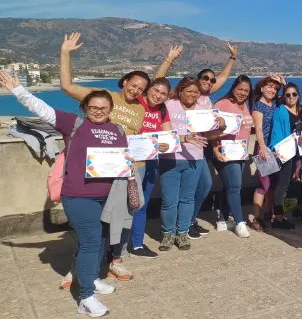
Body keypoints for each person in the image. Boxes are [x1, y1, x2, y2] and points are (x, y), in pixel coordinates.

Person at [1, 71, 129, 317]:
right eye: (93, 107)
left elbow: (121, 160)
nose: (99, 111)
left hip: (108, 195)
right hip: (79, 196)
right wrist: (18, 90)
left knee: (101, 239)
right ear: (85, 108)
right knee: (91, 240)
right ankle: (85, 298)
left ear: (111, 108)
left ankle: (91, 279)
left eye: (103, 108)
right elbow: (42, 109)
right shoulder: (74, 124)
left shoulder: (118, 130)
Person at [58, 32, 147, 281]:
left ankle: (115, 260)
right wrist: (65, 53)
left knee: (122, 220)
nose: (136, 88)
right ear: (124, 81)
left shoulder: (141, 107)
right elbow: (67, 87)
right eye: (133, 83)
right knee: (93, 225)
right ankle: (80, 266)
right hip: (97, 170)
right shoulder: (104, 96)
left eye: (142, 88)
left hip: (128, 171)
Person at [153, 42, 239, 238]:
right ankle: (175, 229)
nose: (208, 81)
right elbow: (157, 83)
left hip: (198, 153)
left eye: (211, 79)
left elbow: (208, 134)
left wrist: (222, 127)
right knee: (175, 197)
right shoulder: (172, 102)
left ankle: (186, 225)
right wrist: (170, 59)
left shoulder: (204, 104)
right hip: (174, 155)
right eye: (204, 79)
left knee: (195, 192)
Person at [159, 78, 222, 252]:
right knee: (169, 200)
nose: (193, 95)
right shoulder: (169, 105)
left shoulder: (203, 110)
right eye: (189, 91)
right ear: (180, 91)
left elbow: (209, 136)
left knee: (187, 199)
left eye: (196, 92)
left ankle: (183, 232)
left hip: (194, 159)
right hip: (170, 158)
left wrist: (221, 127)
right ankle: (168, 233)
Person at [126, 77, 173, 259]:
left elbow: (168, 138)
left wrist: (166, 145)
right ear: (148, 90)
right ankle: (116, 245)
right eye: (156, 91)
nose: (158, 96)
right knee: (125, 204)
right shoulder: (136, 103)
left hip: (151, 161)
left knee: (141, 204)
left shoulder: (162, 110)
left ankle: (137, 245)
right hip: (131, 162)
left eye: (163, 94)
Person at [212, 75, 254, 238]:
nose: (242, 93)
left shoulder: (246, 106)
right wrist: (216, 150)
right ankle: (240, 222)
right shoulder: (222, 104)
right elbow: (212, 129)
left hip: (241, 153)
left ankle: (223, 219)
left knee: (229, 186)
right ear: (233, 88)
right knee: (235, 186)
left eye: (246, 90)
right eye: (240, 89)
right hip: (226, 152)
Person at [249, 75, 284, 231]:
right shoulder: (258, 106)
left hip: (275, 149)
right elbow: (258, 129)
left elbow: (287, 99)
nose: (272, 90)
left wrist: (283, 84)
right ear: (261, 88)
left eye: (275, 88)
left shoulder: (274, 104)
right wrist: (262, 146)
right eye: (269, 86)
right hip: (265, 148)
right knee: (264, 184)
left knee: (273, 184)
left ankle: (269, 212)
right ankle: (256, 217)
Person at [268, 83, 302, 229]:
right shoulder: (280, 111)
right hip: (285, 152)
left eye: (294, 94)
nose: (291, 97)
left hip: (298, 153)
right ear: (284, 97)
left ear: (298, 96)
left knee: (294, 183)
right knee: (282, 186)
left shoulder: (300, 111)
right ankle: (277, 218)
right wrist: (275, 149)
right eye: (288, 95)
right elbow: (276, 133)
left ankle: (288, 212)